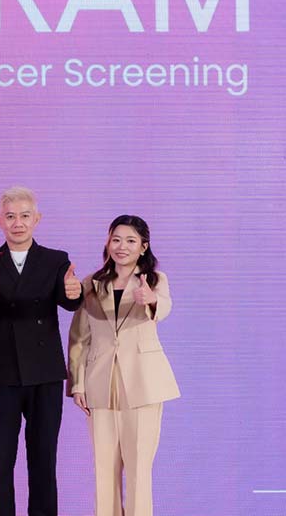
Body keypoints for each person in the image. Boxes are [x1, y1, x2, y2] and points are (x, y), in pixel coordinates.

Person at [0, 186, 83, 516]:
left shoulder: (56, 260)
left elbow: (68, 300)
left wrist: (74, 292)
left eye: (25, 216)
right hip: (0, 376)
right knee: (0, 461)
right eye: (11, 216)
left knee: (44, 460)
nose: (18, 223)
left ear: (37, 219)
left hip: (45, 374)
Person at [67, 215, 179, 516]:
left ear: (144, 246)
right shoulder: (91, 284)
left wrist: (151, 300)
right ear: (107, 243)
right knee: (104, 468)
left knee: (139, 466)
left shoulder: (154, 280)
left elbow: (163, 307)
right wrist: (77, 383)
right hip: (100, 383)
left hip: (143, 383)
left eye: (131, 241)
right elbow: (79, 337)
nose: (122, 246)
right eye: (116, 239)